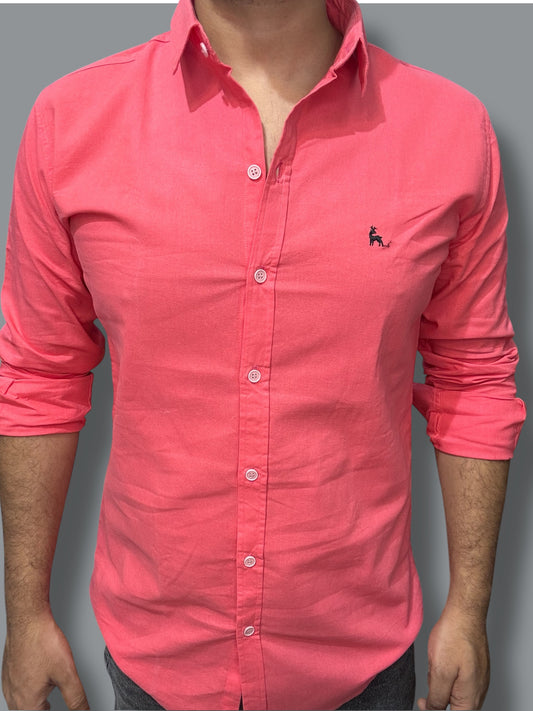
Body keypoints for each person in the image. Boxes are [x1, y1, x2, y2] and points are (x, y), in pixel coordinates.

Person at [0, 0, 526, 709]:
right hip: (156, 661)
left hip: (362, 664)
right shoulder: (71, 122)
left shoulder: (450, 130)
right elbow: (37, 375)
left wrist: (468, 605)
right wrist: (25, 612)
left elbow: (472, 378)